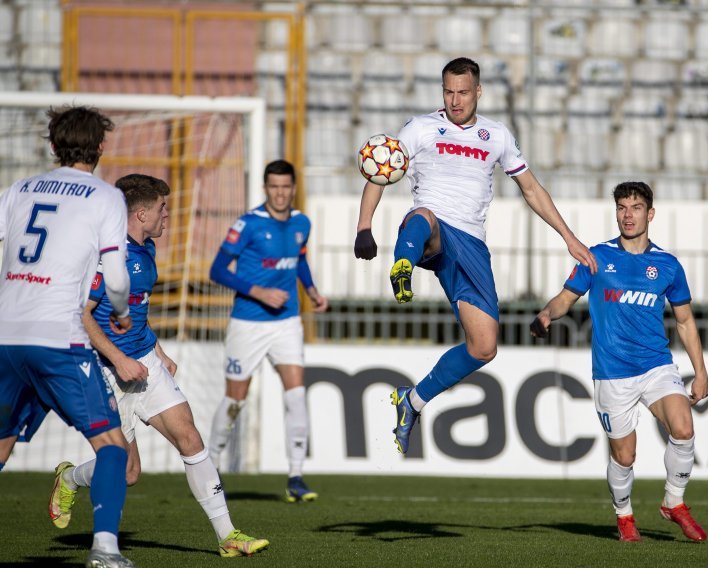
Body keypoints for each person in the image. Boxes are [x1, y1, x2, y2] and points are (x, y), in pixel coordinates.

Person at [353, 57, 597, 454]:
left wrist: (568, 237)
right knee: (423, 216)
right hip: (432, 228)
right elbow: (380, 173)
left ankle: (411, 401)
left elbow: (531, 189)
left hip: (472, 246)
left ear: (478, 91)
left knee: (484, 346)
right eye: (448, 92)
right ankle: (403, 266)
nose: (455, 100)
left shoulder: (496, 135)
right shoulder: (420, 128)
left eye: (463, 92)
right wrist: (364, 226)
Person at [48, 174, 269, 557]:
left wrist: (157, 350)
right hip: (108, 371)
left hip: (144, 362)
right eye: (163, 209)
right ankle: (69, 478)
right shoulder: (107, 255)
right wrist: (119, 360)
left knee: (190, 438)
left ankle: (228, 535)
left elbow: (136, 311)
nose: (168, 216)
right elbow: (81, 315)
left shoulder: (146, 248)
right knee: (129, 473)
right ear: (142, 212)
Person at [530, 181, 708, 543]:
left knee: (684, 428)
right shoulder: (596, 257)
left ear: (650, 213)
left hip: (656, 365)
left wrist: (700, 373)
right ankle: (624, 516)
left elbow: (685, 321)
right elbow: (566, 298)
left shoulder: (668, 265)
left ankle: (674, 503)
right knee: (625, 456)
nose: (628, 215)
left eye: (636, 207)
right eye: (622, 208)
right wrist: (547, 314)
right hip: (612, 373)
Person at [0, 105, 135, 568]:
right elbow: (115, 279)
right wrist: (119, 313)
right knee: (112, 446)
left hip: (6, 335)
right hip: (59, 336)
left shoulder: (18, 190)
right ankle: (105, 549)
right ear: (100, 146)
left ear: (54, 145)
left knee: (0, 443)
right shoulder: (104, 198)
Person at [207, 159, 328, 502]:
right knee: (235, 400)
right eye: (273, 187)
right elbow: (217, 270)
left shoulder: (302, 222)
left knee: (296, 393)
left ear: (293, 188)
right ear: (265, 188)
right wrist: (257, 291)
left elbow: (299, 259)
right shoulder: (247, 224)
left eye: (285, 187)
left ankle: (296, 475)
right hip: (248, 323)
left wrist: (313, 290)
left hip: (287, 322)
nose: (280, 193)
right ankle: (209, 465)